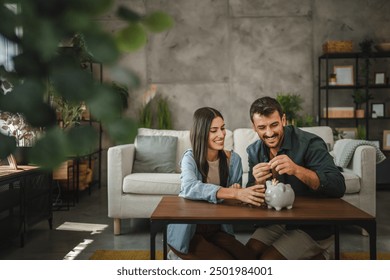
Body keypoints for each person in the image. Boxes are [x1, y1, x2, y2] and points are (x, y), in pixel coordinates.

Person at [245, 96, 346, 260]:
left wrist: (297, 170)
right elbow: (252, 198)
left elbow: (338, 186)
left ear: (283, 120)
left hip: (312, 225)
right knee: (247, 254)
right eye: (262, 127)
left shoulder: (310, 143)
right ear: (254, 127)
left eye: (274, 125)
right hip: (277, 221)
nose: (269, 133)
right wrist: (257, 182)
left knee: (268, 261)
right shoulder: (254, 151)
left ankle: (320, 256)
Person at [167, 107, 265, 260]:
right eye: (214, 130)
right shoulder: (190, 158)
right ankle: (176, 256)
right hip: (189, 233)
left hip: (217, 230)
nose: (221, 135)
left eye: (223, 128)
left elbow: (232, 202)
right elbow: (189, 187)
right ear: (201, 132)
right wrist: (234, 193)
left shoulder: (234, 160)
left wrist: (236, 195)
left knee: (249, 259)